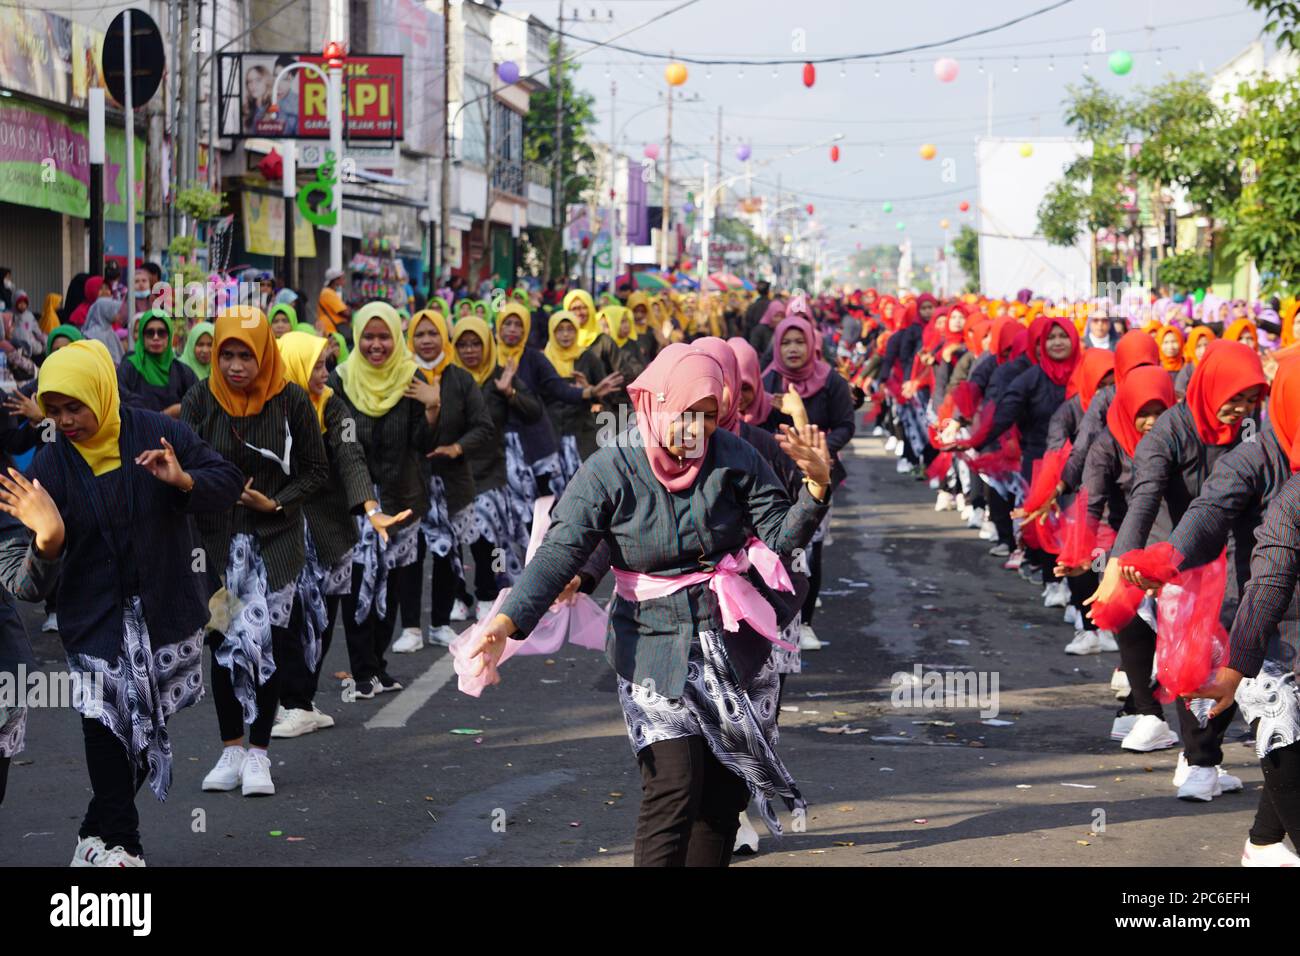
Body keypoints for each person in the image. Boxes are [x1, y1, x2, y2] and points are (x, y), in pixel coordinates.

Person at [468, 342, 833, 867]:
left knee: (723, 799)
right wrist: (506, 622)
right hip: (652, 644)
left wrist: (816, 488)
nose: (697, 430)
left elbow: (779, 539)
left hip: (736, 643)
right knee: (674, 785)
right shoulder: (610, 470)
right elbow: (560, 552)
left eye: (708, 417)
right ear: (656, 404)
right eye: (686, 415)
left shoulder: (736, 456)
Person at [28, 339, 244, 865]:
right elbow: (25, 578)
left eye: (74, 406)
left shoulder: (157, 432)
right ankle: (125, 846)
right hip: (93, 622)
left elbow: (228, 481)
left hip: (164, 613)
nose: (65, 420)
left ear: (100, 392)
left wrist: (183, 480)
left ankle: (91, 837)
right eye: (54, 411)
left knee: (143, 736)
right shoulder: (50, 464)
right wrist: (48, 540)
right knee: (104, 726)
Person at [1091, 339, 1269, 796]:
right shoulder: (1169, 431)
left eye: (1252, 399)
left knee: (1232, 651)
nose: (1242, 408)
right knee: (1191, 662)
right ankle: (1196, 760)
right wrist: (1122, 564)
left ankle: (1198, 758)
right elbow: (1145, 497)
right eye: (1236, 397)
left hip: (1236, 552)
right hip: (1173, 555)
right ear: (1210, 385)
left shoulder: (1252, 427)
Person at [180, 307, 329, 797]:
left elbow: (315, 470)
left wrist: (277, 501)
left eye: (246, 355)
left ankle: (260, 755)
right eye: (227, 355)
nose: (236, 366)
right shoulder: (201, 398)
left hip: (275, 543)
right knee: (223, 645)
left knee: (265, 643)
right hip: (217, 545)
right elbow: (182, 462)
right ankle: (230, 749)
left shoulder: (289, 400)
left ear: (265, 352)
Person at [272, 331, 403, 736]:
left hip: (330, 534)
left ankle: (300, 702)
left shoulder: (334, 409)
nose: (326, 373)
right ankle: (292, 700)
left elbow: (351, 458)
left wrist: (371, 508)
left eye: (328, 364)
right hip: (282, 530)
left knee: (317, 619)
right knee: (282, 618)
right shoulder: (269, 407)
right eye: (316, 365)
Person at [328, 302, 438, 698]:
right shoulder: (340, 381)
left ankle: (378, 666)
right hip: (356, 503)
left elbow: (423, 445)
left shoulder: (412, 378)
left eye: (384, 336)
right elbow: (340, 443)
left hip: (400, 499)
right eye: (368, 337)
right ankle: (362, 671)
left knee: (389, 586)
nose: (376, 345)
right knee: (360, 585)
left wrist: (431, 405)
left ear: (396, 336)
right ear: (357, 337)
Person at [760, 300, 856, 650]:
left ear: (812, 344)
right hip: (776, 478)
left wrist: (820, 450)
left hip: (818, 478)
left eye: (800, 341)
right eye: (787, 343)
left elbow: (846, 424)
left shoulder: (830, 380)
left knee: (810, 551)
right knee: (780, 550)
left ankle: (806, 622)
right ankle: (775, 617)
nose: (794, 349)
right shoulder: (766, 381)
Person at [450, 315, 542, 608]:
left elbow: (534, 412)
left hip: (490, 472)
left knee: (487, 540)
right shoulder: (447, 379)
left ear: (487, 345)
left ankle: (488, 594)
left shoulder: (499, 376)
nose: (469, 350)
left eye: (476, 343)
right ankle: (458, 596)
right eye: (462, 344)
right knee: (451, 543)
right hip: (452, 473)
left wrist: (509, 392)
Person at [117, 311, 198, 417]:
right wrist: (164, 415)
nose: (156, 337)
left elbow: (198, 402)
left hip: (175, 433)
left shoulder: (182, 371)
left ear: (169, 336)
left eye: (162, 332)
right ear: (142, 336)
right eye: (150, 333)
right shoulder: (129, 368)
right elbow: (121, 402)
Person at [317, 269, 350, 337]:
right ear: (336, 280)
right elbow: (345, 312)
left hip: (331, 329)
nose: (344, 280)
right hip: (331, 330)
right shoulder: (328, 293)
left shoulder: (329, 292)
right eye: (342, 278)